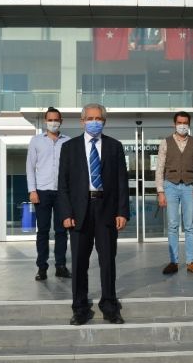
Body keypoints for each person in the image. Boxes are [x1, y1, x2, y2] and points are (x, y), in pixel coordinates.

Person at [57, 104, 129, 325]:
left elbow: (122, 182)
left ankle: (109, 306)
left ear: (104, 122)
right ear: (82, 121)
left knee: (107, 261)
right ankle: (80, 308)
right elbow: (63, 183)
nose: (94, 122)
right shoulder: (69, 147)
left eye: (98, 118)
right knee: (79, 262)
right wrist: (66, 212)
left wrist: (122, 211)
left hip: (106, 210)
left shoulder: (114, 146)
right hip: (79, 211)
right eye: (90, 118)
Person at [156, 111, 193, 275]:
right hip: (170, 186)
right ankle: (173, 262)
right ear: (175, 124)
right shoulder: (165, 142)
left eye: (185, 122)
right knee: (172, 225)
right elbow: (159, 168)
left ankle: (191, 262)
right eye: (179, 122)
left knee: (190, 226)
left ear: (189, 124)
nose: (182, 125)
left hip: (189, 186)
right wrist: (160, 191)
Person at [26, 107, 71, 281]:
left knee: (61, 231)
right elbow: (30, 167)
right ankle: (42, 267)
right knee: (43, 231)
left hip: (62, 193)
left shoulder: (68, 141)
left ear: (61, 121)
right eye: (50, 120)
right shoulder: (36, 141)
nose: (53, 122)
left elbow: (72, 170)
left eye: (56, 120)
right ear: (45, 121)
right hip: (42, 192)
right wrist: (32, 190)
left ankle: (60, 266)